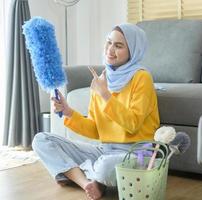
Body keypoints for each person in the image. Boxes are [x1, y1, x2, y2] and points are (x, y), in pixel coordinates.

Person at [32, 24, 160, 200]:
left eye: (119, 45)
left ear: (133, 51)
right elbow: (95, 130)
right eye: (109, 42)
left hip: (134, 152)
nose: (110, 49)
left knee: (106, 165)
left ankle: (78, 172)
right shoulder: (101, 80)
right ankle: (87, 184)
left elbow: (133, 123)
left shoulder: (142, 78)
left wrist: (105, 94)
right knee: (41, 140)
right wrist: (68, 111)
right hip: (105, 149)